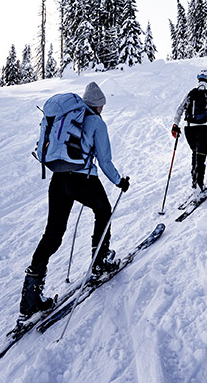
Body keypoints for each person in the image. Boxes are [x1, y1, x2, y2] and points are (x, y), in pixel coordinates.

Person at [19, 81, 130, 320]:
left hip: (58, 180)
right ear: (98, 105)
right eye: (102, 105)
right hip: (83, 180)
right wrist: (120, 181)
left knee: (53, 233)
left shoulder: (67, 118)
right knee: (104, 211)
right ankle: (100, 261)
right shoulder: (97, 123)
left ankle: (30, 294)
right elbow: (105, 161)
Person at [171, 69, 207, 191]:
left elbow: (180, 109)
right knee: (201, 158)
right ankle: (198, 186)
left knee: (195, 154)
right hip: (203, 129)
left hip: (189, 130)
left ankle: (195, 182)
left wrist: (175, 125)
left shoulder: (191, 93)